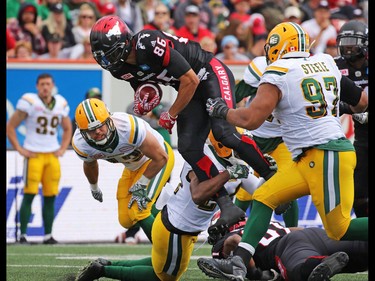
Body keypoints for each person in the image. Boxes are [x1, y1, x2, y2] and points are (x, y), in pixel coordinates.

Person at [199, 21, 368, 281]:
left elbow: (250, 120)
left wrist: (223, 111)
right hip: (311, 155)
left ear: (280, 46)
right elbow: (361, 103)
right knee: (265, 195)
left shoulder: (279, 71)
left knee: (339, 229)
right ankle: (239, 263)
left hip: (325, 152)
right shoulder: (326, 61)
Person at [89, 15, 278, 234]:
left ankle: (270, 175)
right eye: (101, 55)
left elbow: (190, 79)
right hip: (189, 89)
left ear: (123, 42)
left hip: (208, 72)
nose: (106, 60)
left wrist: (171, 114)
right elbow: (146, 83)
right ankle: (226, 204)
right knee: (188, 147)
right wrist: (144, 98)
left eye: (109, 52)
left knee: (224, 133)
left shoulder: (148, 43)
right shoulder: (118, 68)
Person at [74, 143, 254, 281]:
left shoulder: (236, 165)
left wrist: (265, 170)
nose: (240, 150)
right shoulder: (203, 155)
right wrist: (228, 174)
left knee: (159, 265)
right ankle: (102, 270)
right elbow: (198, 194)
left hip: (179, 227)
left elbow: (260, 191)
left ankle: (106, 264)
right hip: (176, 229)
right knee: (165, 277)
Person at [71, 98, 174, 242]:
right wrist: (94, 187)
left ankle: (168, 250)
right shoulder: (81, 144)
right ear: (82, 131)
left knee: (139, 210)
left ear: (109, 119)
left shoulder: (128, 127)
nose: (98, 132)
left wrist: (142, 183)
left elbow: (161, 157)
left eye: (101, 126)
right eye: (91, 130)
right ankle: (170, 211)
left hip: (157, 160)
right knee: (126, 220)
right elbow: (90, 164)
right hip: (133, 167)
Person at [232, 55, 299, 227]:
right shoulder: (261, 68)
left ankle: (293, 234)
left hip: (280, 140)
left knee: (288, 189)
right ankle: (228, 235)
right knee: (245, 194)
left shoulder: (299, 74)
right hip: (255, 139)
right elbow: (233, 96)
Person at [6, 73, 72, 244]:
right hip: (33, 154)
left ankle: (48, 235)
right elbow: (11, 126)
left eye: (48, 84)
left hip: (51, 155)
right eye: (42, 84)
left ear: (52, 86)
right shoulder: (29, 102)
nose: (45, 87)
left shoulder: (60, 103)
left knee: (50, 196)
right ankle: (23, 235)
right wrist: (19, 149)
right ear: (37, 86)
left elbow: (67, 128)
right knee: (29, 194)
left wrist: (63, 147)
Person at [200, 216, 368, 281]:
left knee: (300, 270)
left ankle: (321, 262)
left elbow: (235, 240)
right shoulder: (262, 222)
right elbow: (295, 230)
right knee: (360, 250)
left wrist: (255, 274)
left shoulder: (228, 238)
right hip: (312, 234)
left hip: (285, 247)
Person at [335, 20, 368, 218]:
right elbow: (328, 100)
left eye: (352, 41)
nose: (348, 46)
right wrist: (349, 109)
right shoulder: (334, 65)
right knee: (358, 189)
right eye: (345, 41)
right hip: (361, 132)